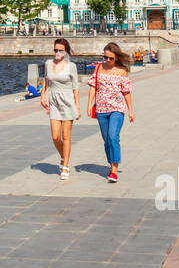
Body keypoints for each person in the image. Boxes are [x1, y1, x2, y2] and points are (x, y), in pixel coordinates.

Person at [86, 42, 134, 183]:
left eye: (110, 58)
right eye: (105, 57)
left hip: (117, 109)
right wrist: (89, 104)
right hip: (101, 109)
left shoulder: (122, 71)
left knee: (113, 136)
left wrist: (130, 110)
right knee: (106, 139)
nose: (107, 61)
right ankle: (111, 162)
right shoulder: (99, 68)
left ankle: (114, 170)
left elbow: (126, 92)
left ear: (117, 58)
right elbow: (93, 87)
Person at [41, 38, 81, 180]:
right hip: (54, 101)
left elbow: (75, 87)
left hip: (68, 101)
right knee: (55, 136)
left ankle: (65, 166)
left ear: (65, 52)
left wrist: (77, 106)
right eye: (55, 50)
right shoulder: (48, 63)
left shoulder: (71, 66)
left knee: (66, 136)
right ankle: (63, 156)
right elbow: (46, 80)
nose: (57, 53)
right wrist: (42, 95)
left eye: (60, 50)